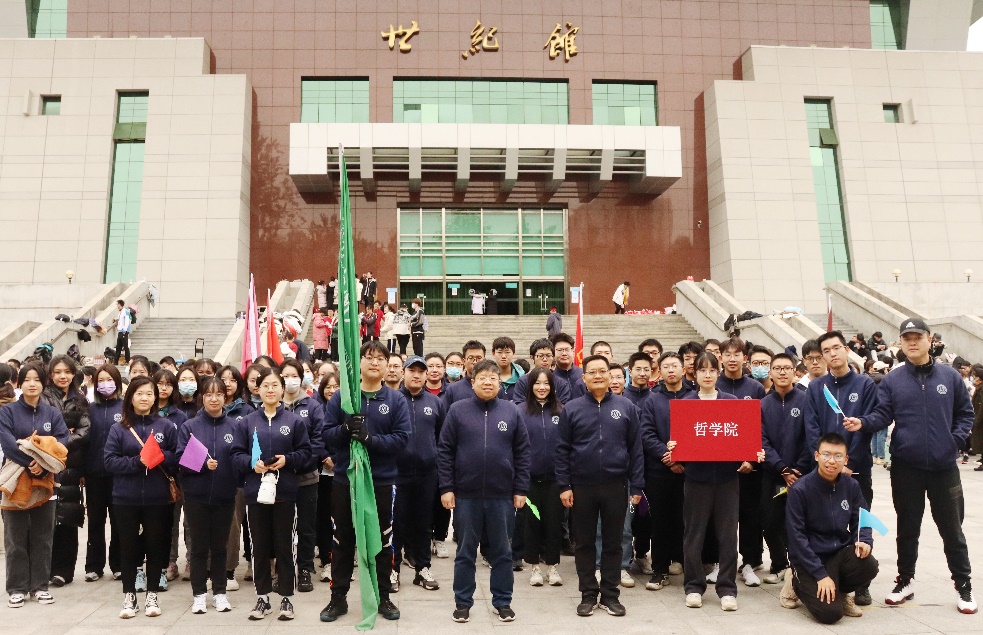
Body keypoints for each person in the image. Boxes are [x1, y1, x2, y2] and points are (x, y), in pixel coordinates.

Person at [844, 316, 977, 614]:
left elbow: (965, 414)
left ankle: (963, 584)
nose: (913, 342)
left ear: (930, 340)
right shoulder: (894, 380)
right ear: (901, 343)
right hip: (906, 467)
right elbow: (882, 415)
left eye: (918, 337)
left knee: (952, 530)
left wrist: (953, 442)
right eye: (907, 338)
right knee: (907, 528)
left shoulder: (950, 377)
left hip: (944, 468)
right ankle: (905, 580)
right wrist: (862, 422)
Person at [319, 341, 412, 623]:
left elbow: (402, 439)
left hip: (381, 482)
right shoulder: (343, 398)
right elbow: (326, 435)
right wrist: (345, 429)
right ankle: (338, 598)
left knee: (382, 540)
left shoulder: (395, 400)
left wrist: (371, 440)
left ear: (387, 365)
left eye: (380, 358)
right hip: (346, 480)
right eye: (369, 357)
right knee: (342, 539)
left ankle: (383, 596)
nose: (374, 362)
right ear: (359, 363)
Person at [437, 359, 530, 623]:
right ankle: (463, 602)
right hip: (466, 494)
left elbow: (523, 453)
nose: (488, 382)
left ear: (500, 383)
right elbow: (445, 451)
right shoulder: (458, 410)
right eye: (483, 377)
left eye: (493, 378)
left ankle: (503, 601)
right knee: (465, 552)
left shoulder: (511, 411)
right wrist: (447, 487)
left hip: (502, 495)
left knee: (502, 552)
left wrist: (520, 488)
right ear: (472, 381)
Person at [556, 355, 643, 618]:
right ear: (583, 378)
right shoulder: (572, 409)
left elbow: (636, 449)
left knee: (613, 542)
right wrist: (564, 485)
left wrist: (636, 486)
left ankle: (610, 594)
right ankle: (588, 594)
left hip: (616, 484)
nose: (597, 376)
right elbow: (562, 450)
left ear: (612, 376)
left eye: (602, 371)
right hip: (582, 486)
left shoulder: (626, 407)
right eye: (592, 372)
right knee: (584, 542)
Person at [677, 353, 762, 612]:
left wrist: (752, 454)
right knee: (694, 535)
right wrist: (674, 447)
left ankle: (726, 588)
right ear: (694, 374)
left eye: (712, 370)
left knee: (727, 536)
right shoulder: (686, 403)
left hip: (727, 479)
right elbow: (681, 442)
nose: (707, 375)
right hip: (696, 479)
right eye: (702, 370)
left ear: (718, 372)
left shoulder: (731, 402)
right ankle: (694, 586)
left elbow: (744, 437)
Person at [230, 367, 312, 621]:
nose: (270, 390)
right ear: (258, 389)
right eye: (265, 385)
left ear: (282, 388)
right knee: (259, 547)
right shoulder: (247, 422)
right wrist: (250, 464)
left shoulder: (294, 422)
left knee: (285, 545)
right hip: (256, 493)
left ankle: (287, 597)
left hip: (284, 491)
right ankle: (262, 596)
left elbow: (306, 453)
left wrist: (288, 460)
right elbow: (235, 455)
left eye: (275, 385)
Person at [103, 376, 178, 619]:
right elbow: (109, 461)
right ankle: (129, 596)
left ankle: (152, 594)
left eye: (149, 393)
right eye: (139, 393)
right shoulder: (119, 429)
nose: (144, 398)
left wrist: (158, 456)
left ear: (155, 397)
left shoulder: (166, 427)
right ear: (131, 398)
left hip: (158, 497)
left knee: (156, 545)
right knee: (128, 547)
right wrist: (138, 461)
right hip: (125, 497)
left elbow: (177, 458)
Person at [786, 433, 878, 623]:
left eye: (838, 456)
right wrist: (820, 575)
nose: (831, 461)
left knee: (869, 564)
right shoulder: (800, 489)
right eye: (826, 455)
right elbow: (796, 538)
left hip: (838, 554)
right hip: (808, 560)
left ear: (846, 459)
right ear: (817, 456)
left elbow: (862, 518)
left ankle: (839, 591)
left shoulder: (851, 486)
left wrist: (864, 540)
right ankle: (794, 582)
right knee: (830, 614)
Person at [0, 363, 70, 608]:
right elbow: (7, 442)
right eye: (27, 379)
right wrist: (31, 463)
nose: (32, 384)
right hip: (15, 480)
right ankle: (17, 588)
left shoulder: (52, 413)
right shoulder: (8, 411)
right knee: (15, 538)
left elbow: (63, 441)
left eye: (37, 379)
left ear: (43, 383)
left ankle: (40, 586)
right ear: (20, 383)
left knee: (43, 537)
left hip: (46, 481)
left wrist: (44, 464)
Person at [176, 376, 238, 614]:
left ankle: (220, 593)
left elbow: (240, 456)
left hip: (225, 496)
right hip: (196, 497)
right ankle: (199, 594)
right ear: (202, 397)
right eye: (209, 394)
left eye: (219, 394)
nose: (214, 399)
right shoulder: (190, 427)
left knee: (220, 547)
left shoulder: (234, 426)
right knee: (199, 548)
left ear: (225, 396)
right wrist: (203, 464)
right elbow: (180, 459)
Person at [760, 352, 811, 604]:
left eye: (787, 368)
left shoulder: (806, 400)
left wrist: (797, 469)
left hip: (801, 475)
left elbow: (811, 437)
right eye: (777, 368)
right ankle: (779, 564)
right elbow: (761, 440)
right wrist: (782, 469)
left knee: (798, 523)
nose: (782, 372)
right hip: (772, 474)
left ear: (795, 372)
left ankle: (798, 567)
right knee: (770, 521)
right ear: (770, 373)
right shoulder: (762, 404)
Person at [639, 352, 692, 591]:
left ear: (683, 369)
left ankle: (684, 564)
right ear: (659, 371)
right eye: (666, 366)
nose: (671, 370)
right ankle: (659, 570)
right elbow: (646, 434)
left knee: (686, 520)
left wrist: (684, 460)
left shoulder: (694, 398)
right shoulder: (652, 400)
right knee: (659, 522)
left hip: (690, 472)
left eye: (675, 366)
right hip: (659, 472)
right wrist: (667, 458)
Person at [393, 356, 445, 593]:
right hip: (397, 474)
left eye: (420, 371)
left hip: (427, 473)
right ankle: (393, 569)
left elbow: (442, 437)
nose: (416, 375)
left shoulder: (435, 403)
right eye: (411, 370)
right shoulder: (394, 400)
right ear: (403, 373)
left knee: (424, 524)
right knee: (396, 524)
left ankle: (423, 568)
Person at [41, 355, 91, 587]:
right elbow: (40, 429)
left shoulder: (80, 400)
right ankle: (46, 568)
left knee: (69, 519)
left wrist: (59, 442)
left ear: (73, 374)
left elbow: (84, 431)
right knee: (46, 519)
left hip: (71, 466)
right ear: (51, 374)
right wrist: (63, 434)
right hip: (45, 464)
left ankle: (64, 571)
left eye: (67, 372)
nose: (63, 376)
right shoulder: (43, 397)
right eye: (58, 372)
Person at [279, 359, 326, 594]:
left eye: (294, 375)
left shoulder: (313, 406)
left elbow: (318, 440)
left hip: (307, 476)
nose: (290, 380)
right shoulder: (273, 405)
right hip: (279, 478)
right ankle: (283, 571)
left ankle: (305, 568)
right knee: (282, 527)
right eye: (285, 376)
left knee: (307, 527)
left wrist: (299, 462)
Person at [520, 367, 564, 588]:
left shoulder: (562, 411)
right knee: (532, 522)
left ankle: (552, 566)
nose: (542, 387)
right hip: (529, 480)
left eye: (546, 383)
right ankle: (534, 566)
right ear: (530, 386)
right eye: (537, 383)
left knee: (554, 523)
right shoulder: (520, 411)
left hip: (556, 480)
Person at [84, 364, 124, 581]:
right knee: (96, 521)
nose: (105, 384)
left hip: (118, 475)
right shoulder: (90, 409)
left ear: (117, 382)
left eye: (109, 379)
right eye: (100, 380)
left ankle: (118, 564)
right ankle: (93, 566)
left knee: (118, 521)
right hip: (94, 473)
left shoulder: (125, 407)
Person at [314, 373, 340, 582]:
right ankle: (326, 559)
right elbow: (315, 437)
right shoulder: (317, 409)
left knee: (342, 518)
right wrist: (325, 457)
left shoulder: (346, 408)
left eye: (336, 386)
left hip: (344, 470)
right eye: (328, 386)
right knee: (323, 518)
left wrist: (338, 459)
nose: (331, 390)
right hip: (323, 472)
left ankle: (341, 558)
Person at [512, 339, 573, 406]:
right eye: (541, 356)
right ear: (532, 357)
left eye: (548, 356)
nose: (545, 359)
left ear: (553, 357)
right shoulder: (523, 382)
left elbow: (565, 407)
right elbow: (519, 405)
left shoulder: (561, 383)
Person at [442, 341, 487, 407]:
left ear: (484, 360)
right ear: (464, 361)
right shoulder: (453, 389)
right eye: (471, 358)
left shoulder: (493, 387)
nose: (475, 362)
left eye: (479, 358)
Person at [552, 333, 585, 399]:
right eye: (560, 350)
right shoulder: (550, 378)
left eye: (567, 350)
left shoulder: (584, 374)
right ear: (553, 354)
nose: (564, 353)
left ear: (573, 352)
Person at [112, 299, 132, 364]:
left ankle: (128, 360)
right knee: (118, 347)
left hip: (124, 332)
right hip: (120, 332)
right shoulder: (120, 313)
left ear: (120, 305)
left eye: (118, 304)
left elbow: (127, 322)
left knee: (126, 347)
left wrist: (124, 331)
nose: (117, 306)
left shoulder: (125, 311)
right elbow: (120, 320)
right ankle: (115, 361)